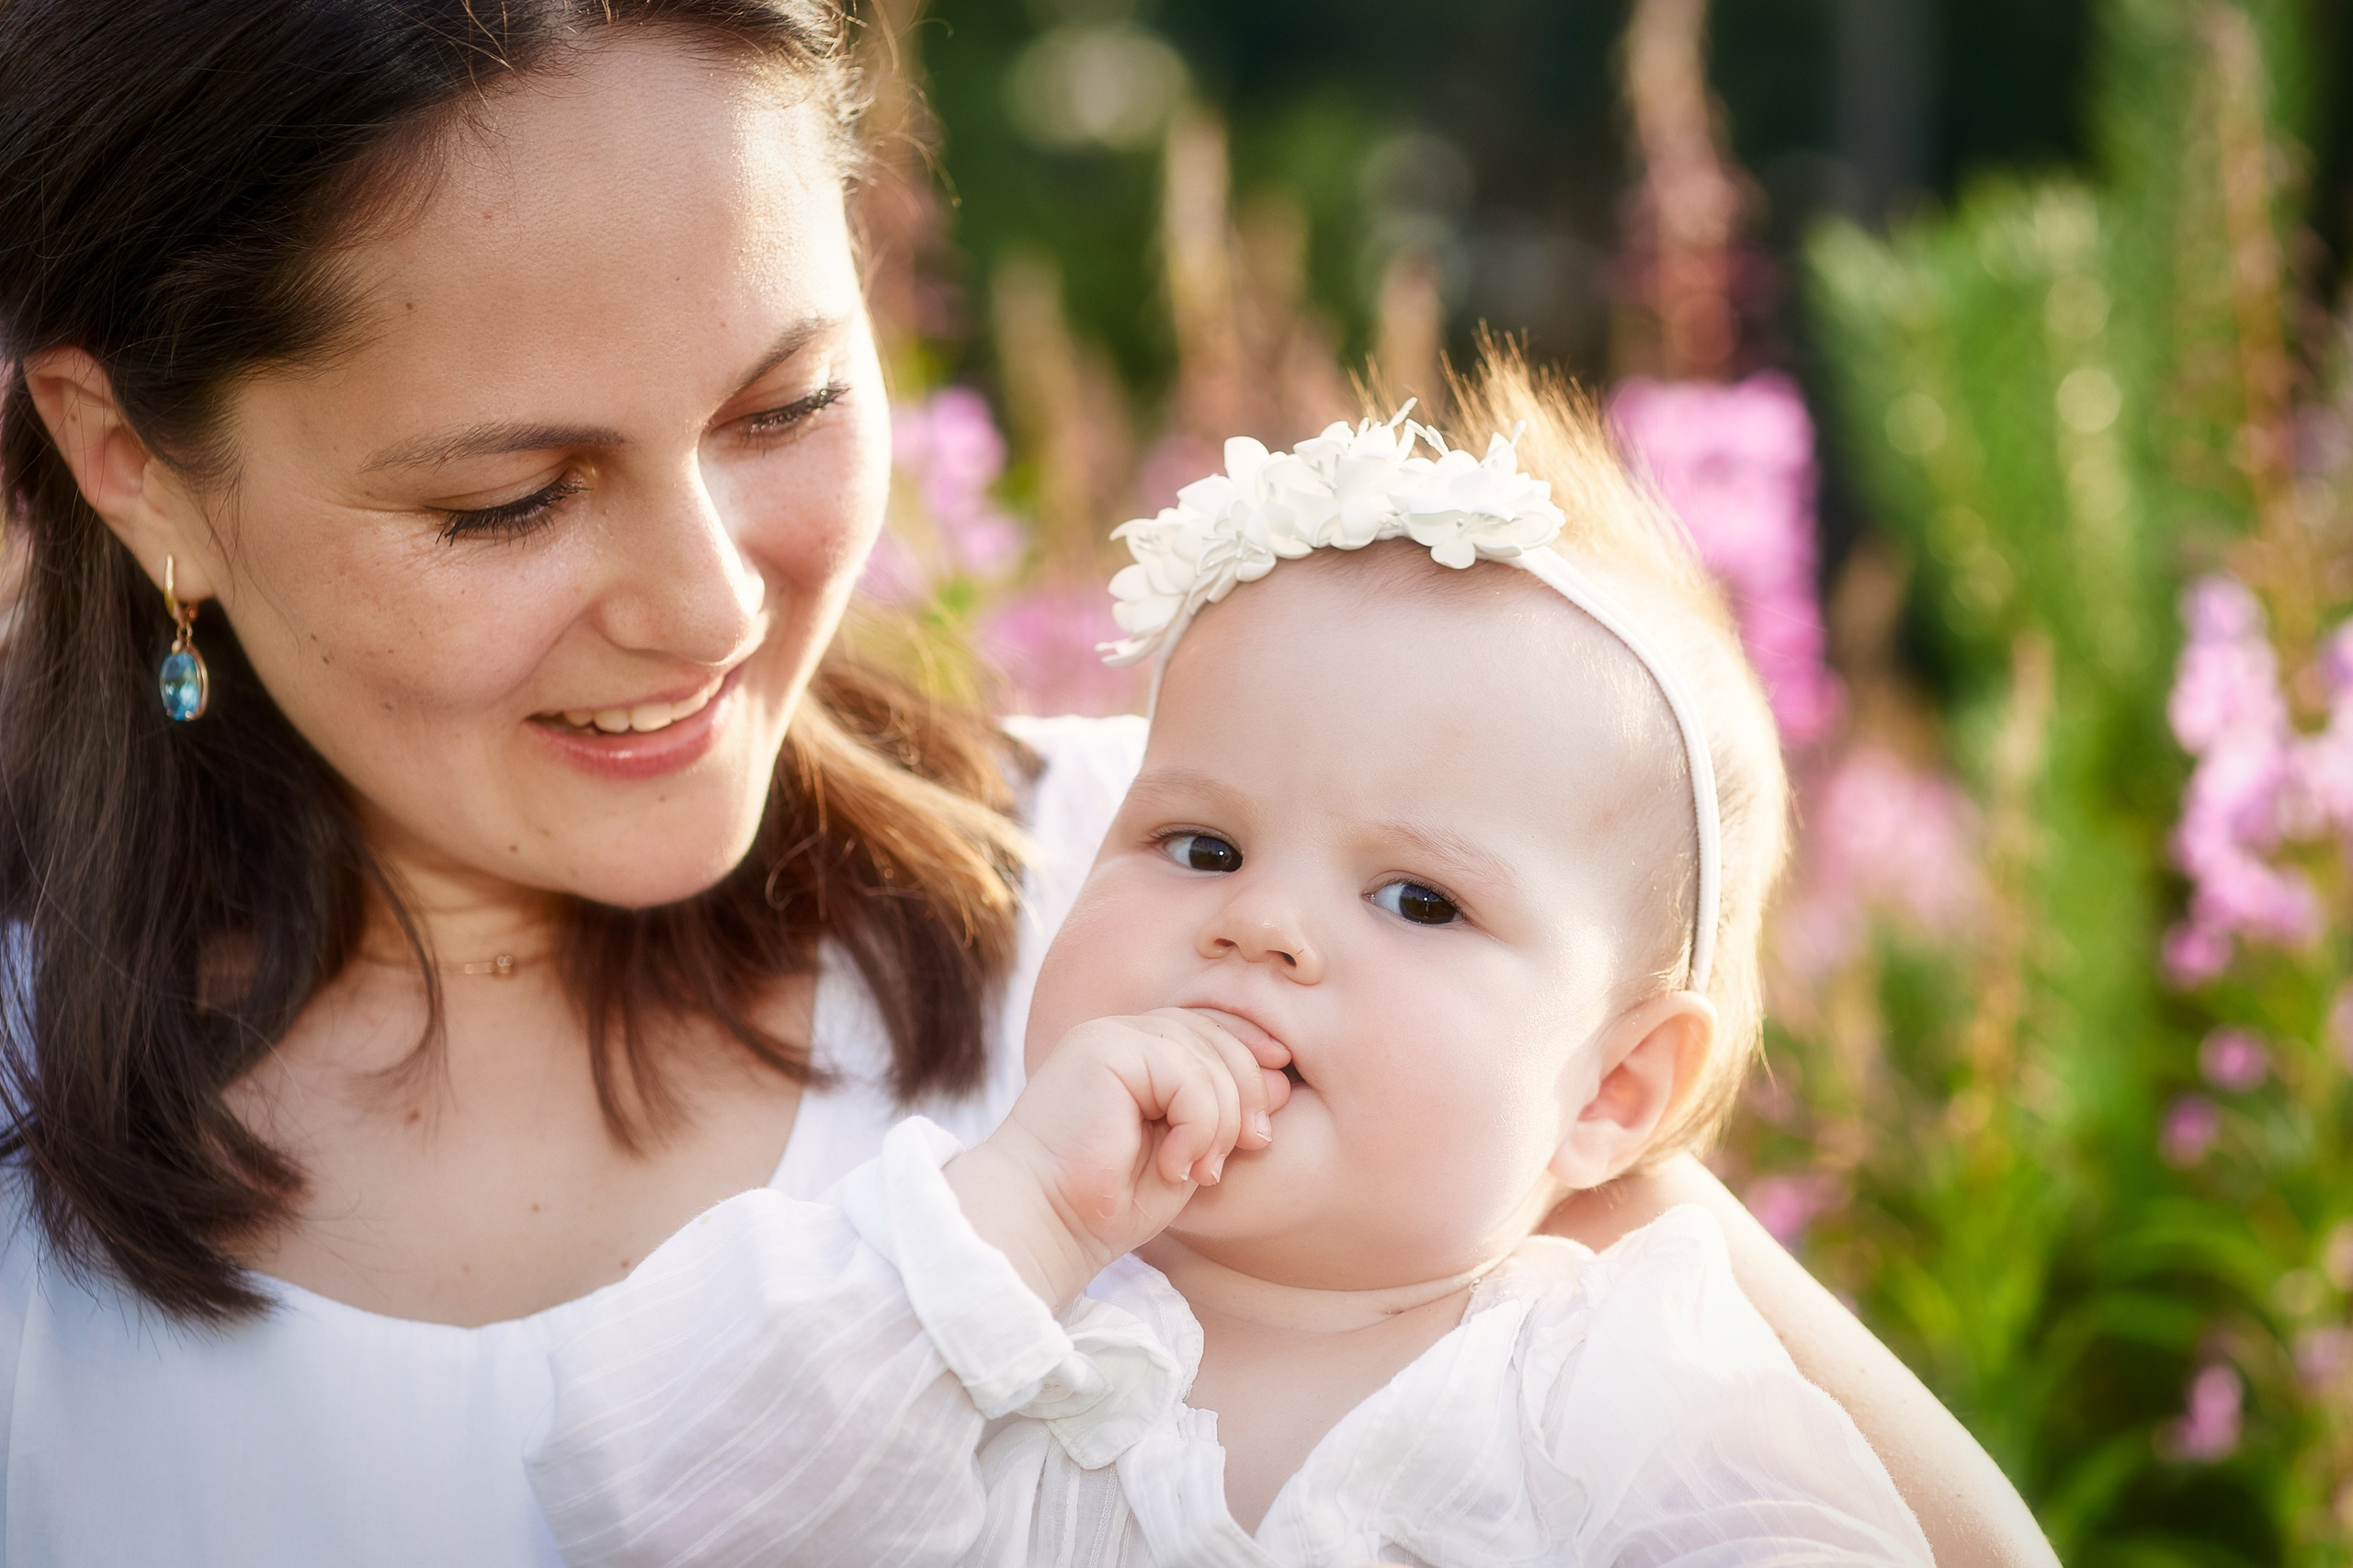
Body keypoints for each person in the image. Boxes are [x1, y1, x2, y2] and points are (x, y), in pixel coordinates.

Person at [0, 4, 2052, 1565]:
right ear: (129, 460)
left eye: (785, 400)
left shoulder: (1220, 940)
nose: (706, 602)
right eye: (509, 498)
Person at [529, 366, 1935, 1564]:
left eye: (1416, 897)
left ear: (1616, 1087)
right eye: (1201, 846)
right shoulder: (979, 1317)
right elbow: (641, 1511)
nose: (1262, 924)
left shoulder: (1630, 1397)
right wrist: (1013, 1216)